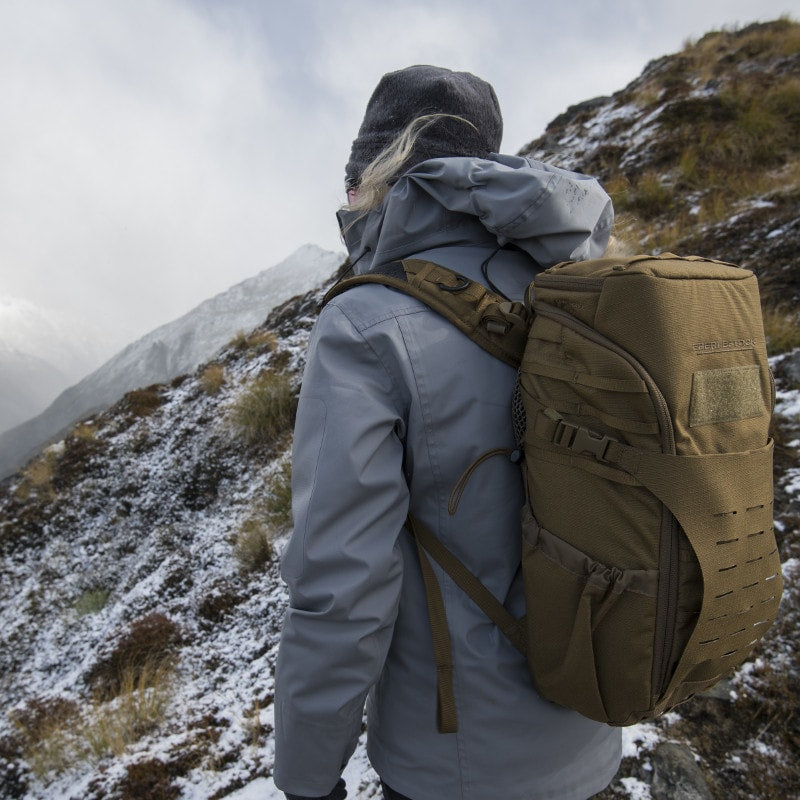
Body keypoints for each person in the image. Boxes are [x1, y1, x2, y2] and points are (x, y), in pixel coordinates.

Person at [274, 65, 622, 800]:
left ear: (379, 172)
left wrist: (307, 778)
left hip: (457, 763)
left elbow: (343, 587)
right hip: (593, 726)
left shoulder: (365, 325)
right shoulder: (577, 289)